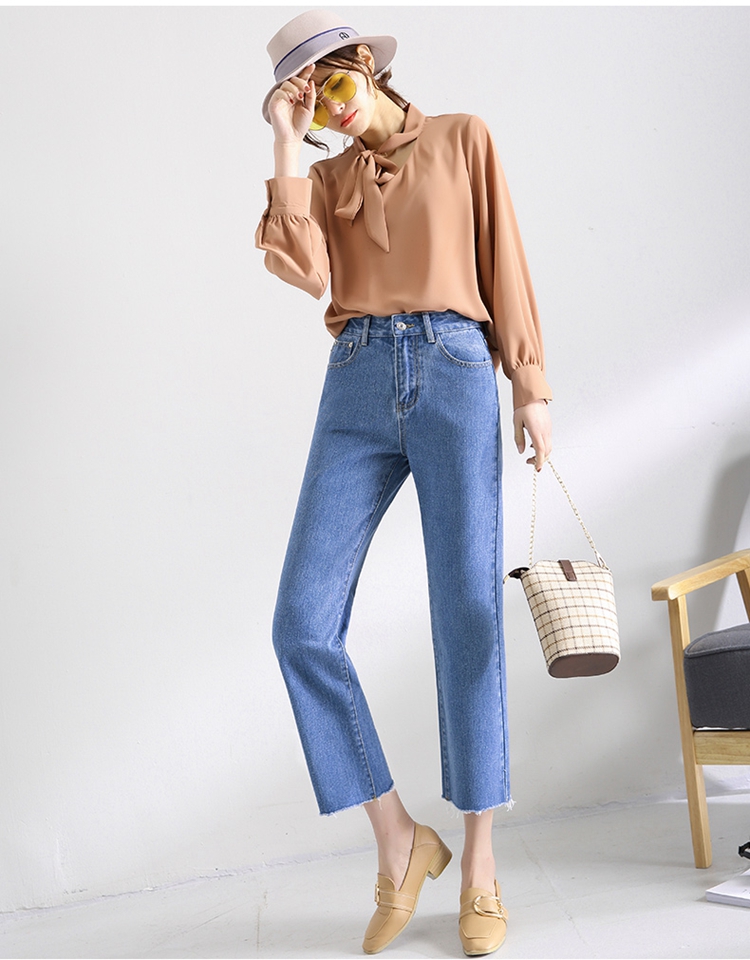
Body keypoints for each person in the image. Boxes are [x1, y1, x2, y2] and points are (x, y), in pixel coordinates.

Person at [255, 9, 552, 957]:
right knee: (301, 624)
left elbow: (506, 258)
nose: (334, 112)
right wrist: (286, 142)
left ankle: (479, 864)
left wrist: (530, 386)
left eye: (336, 88)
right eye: (314, 105)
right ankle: (398, 837)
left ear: (366, 68)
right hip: (356, 380)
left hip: (457, 370)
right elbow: (299, 267)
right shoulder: (324, 178)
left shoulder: (463, 139)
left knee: (467, 612)